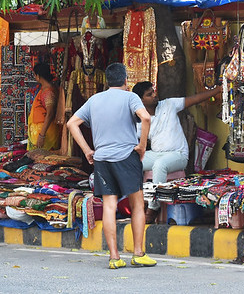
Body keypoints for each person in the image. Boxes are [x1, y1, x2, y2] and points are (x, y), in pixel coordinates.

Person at [67, 62, 156, 269]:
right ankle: (138, 253)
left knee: (109, 205)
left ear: (108, 81)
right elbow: (145, 118)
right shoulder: (130, 97)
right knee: (137, 205)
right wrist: (142, 146)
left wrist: (88, 150)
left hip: (102, 159)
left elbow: (72, 123)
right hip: (127, 156)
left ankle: (114, 257)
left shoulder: (94, 100)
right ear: (126, 80)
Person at [131, 81, 221, 222]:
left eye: (153, 91)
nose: (155, 95)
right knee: (131, 162)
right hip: (157, 154)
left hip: (178, 155)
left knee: (160, 165)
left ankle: (154, 207)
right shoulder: (140, 120)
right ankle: (139, 201)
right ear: (141, 100)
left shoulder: (169, 104)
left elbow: (194, 99)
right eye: (150, 94)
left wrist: (217, 90)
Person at [28, 62, 60, 151]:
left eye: (34, 75)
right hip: (44, 133)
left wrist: (42, 135)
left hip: (47, 135)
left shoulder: (48, 92)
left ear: (38, 76)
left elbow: (50, 113)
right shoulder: (45, 89)